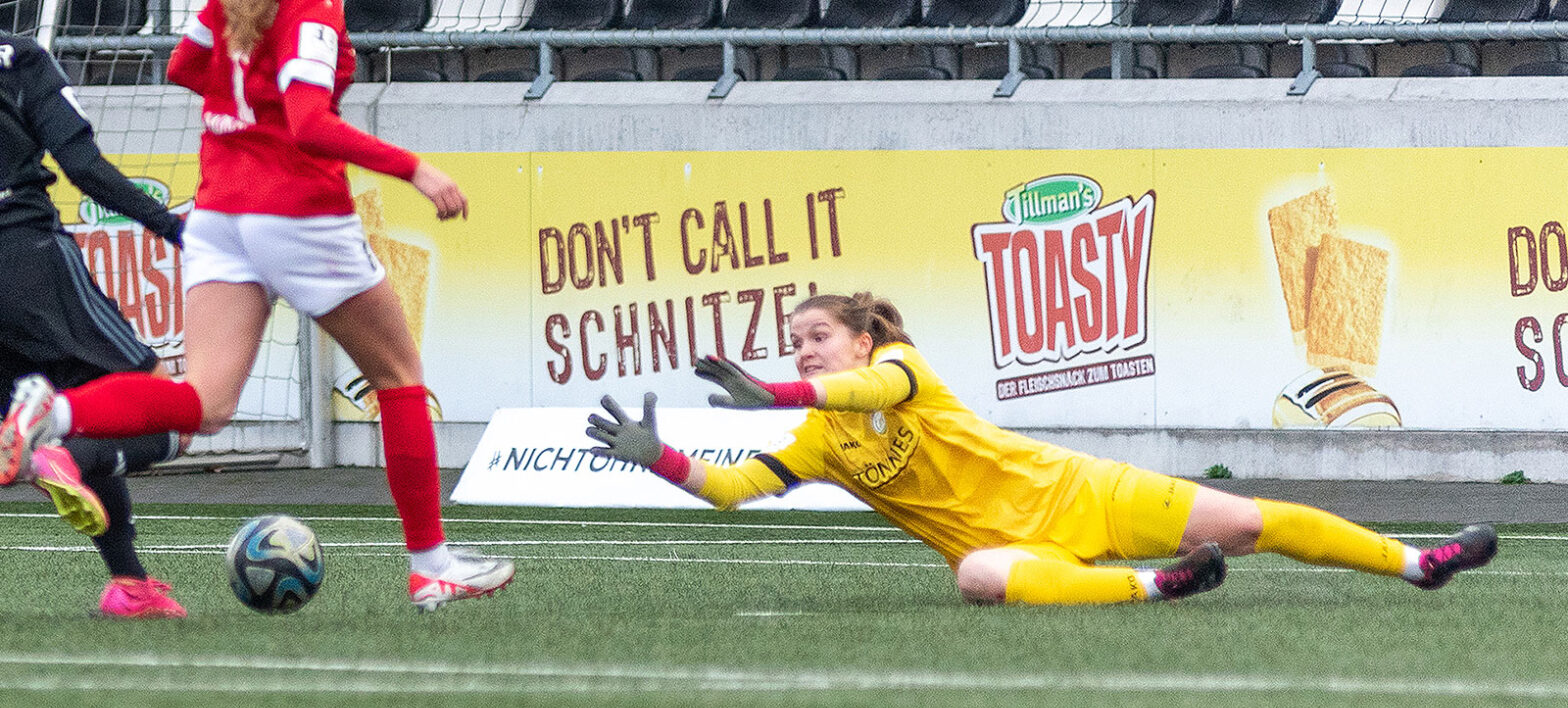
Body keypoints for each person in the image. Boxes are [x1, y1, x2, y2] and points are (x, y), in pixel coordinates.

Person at [0, 0, 514, 611]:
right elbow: (309, 125)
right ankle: (431, 567)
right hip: (298, 211)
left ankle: (54, 415)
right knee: (398, 378)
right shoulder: (312, 10)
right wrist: (415, 169)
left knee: (207, 403)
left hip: (220, 213)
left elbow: (186, 67)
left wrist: (245, 99)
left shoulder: (225, 5)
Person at [586, 292, 1498, 606]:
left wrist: (776, 391)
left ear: (861, 340)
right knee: (976, 577)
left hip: (1076, 492)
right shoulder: (820, 435)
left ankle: (1419, 563)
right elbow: (734, 487)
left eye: (816, 336)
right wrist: (657, 456)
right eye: (794, 342)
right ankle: (1156, 586)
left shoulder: (900, 368)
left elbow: (867, 393)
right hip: (1014, 549)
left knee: (1250, 520)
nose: (803, 350)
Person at [0, 30, 193, 618]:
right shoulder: (17, 56)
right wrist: (174, 228)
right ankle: (57, 447)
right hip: (23, 256)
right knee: (171, 408)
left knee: (60, 418)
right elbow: (81, 166)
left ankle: (130, 586)